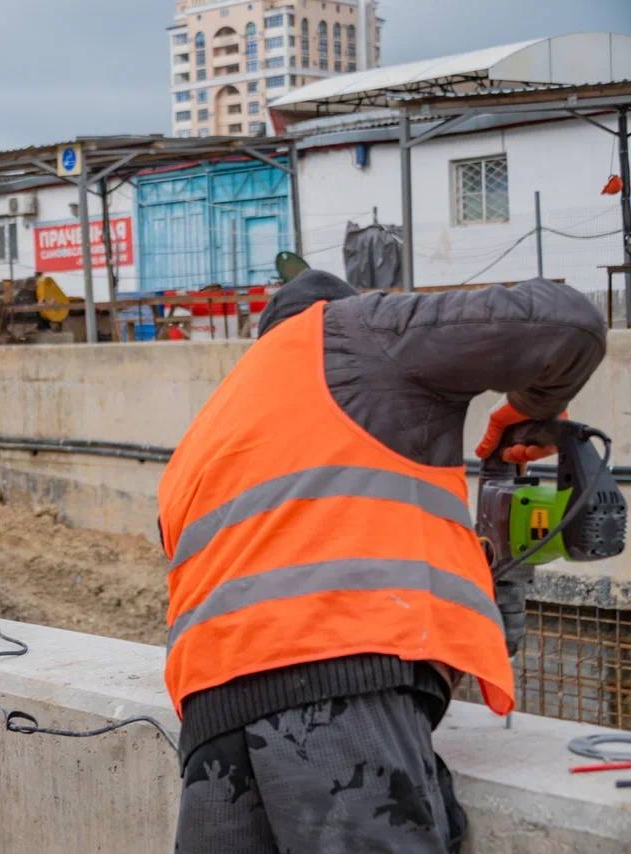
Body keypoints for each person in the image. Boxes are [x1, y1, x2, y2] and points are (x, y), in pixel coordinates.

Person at [159, 270, 606, 853]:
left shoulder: (209, 429)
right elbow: (571, 322)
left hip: (209, 717)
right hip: (338, 688)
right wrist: (530, 407)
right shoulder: (354, 332)